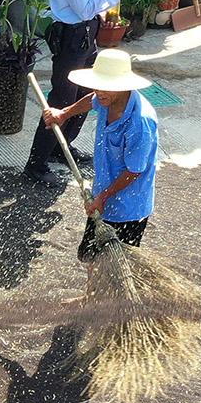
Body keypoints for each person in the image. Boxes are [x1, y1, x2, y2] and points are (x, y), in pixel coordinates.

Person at [24, 0, 126, 184]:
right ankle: (36, 164)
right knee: (62, 100)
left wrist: (104, 5)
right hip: (71, 36)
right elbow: (84, 8)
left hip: (87, 34)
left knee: (88, 94)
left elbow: (94, 7)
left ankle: (62, 146)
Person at [40, 49, 160, 260]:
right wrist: (64, 114)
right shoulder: (105, 98)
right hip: (103, 195)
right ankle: (92, 283)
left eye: (106, 87)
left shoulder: (140, 123)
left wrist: (103, 197)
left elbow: (134, 171)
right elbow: (92, 100)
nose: (99, 92)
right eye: (97, 85)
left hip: (128, 207)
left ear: (123, 86)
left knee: (117, 265)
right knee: (89, 256)